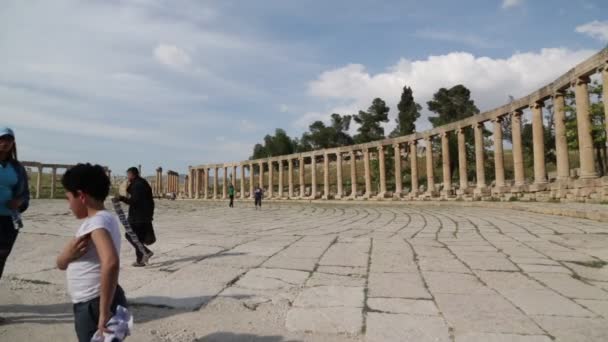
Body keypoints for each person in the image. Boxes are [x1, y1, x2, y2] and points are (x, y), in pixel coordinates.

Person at [57, 163, 127, 342]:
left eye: (68, 198)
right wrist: (66, 257)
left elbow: (110, 262)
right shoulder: (105, 218)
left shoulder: (96, 223)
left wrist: (104, 311)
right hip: (104, 298)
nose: (68, 206)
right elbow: (62, 263)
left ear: (81, 196)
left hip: (94, 304)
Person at [0, 127, 30, 281]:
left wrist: (19, 201)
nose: (5, 143)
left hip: (9, 220)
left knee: (1, 257)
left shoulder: (17, 168)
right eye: (2, 139)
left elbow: (25, 193)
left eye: (8, 140)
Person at [118, 167, 155, 267]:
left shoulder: (137, 185)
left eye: (128, 175)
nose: (127, 177)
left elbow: (134, 201)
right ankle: (140, 261)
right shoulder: (142, 183)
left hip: (138, 216)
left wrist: (122, 198)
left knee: (130, 235)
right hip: (144, 215)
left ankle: (146, 252)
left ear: (132, 174)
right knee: (139, 238)